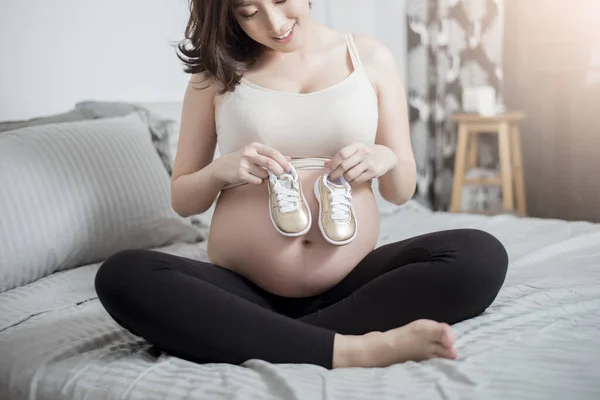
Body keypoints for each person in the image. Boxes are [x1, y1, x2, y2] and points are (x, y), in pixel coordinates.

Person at [94, 0, 508, 369]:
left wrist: (386, 158)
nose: (274, 23)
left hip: (353, 286)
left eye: (280, 0)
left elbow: (400, 191)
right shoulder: (215, 73)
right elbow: (183, 199)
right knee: (122, 275)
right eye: (248, 12)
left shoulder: (368, 57)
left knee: (480, 255)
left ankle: (260, 334)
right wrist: (222, 170)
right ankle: (354, 349)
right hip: (244, 288)